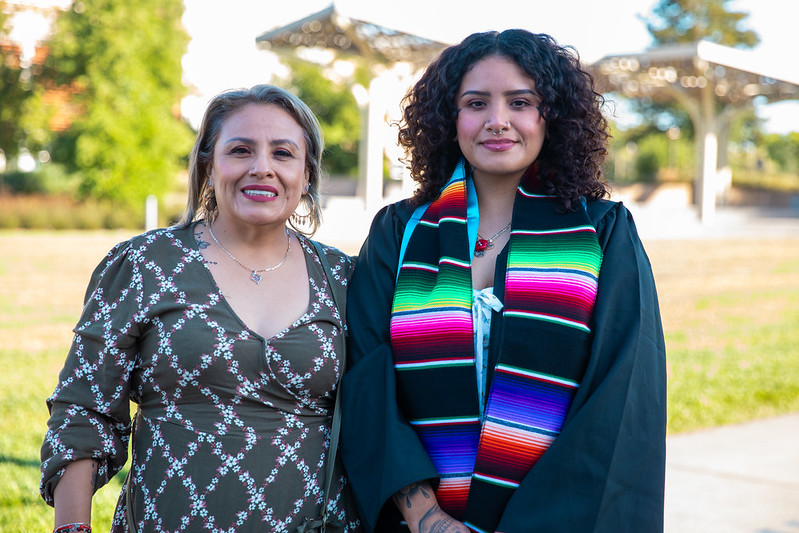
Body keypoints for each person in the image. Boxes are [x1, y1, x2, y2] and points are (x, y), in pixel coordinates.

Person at [340, 30, 667, 533]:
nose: (497, 121)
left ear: (551, 116)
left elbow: (618, 402)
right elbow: (368, 379)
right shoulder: (399, 232)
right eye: (476, 103)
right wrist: (428, 519)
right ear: (450, 120)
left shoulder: (602, 233)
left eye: (520, 102)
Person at [40, 85, 360, 532]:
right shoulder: (144, 264)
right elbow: (84, 410)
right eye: (241, 150)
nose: (262, 168)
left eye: (283, 154)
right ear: (209, 167)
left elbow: (378, 418)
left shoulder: (346, 278)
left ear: (307, 175)